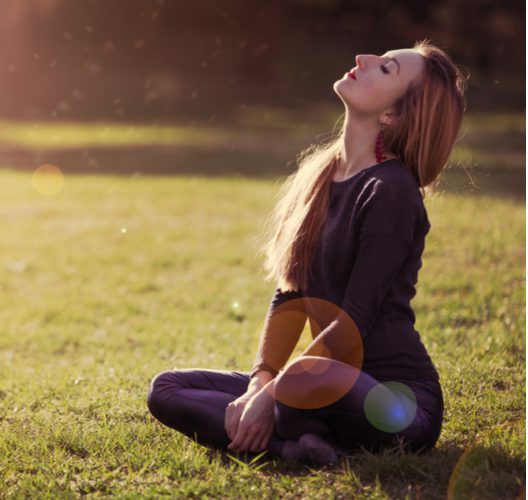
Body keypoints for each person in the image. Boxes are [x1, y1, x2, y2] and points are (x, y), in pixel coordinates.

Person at [145, 39, 467, 466]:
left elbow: (354, 320)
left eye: (386, 68)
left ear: (392, 114)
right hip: (315, 384)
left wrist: (276, 391)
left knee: (299, 378)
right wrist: (261, 381)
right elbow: (290, 293)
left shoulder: (392, 191)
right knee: (166, 389)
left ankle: (294, 426)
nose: (362, 59)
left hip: (395, 405)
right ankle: (298, 447)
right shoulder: (321, 175)